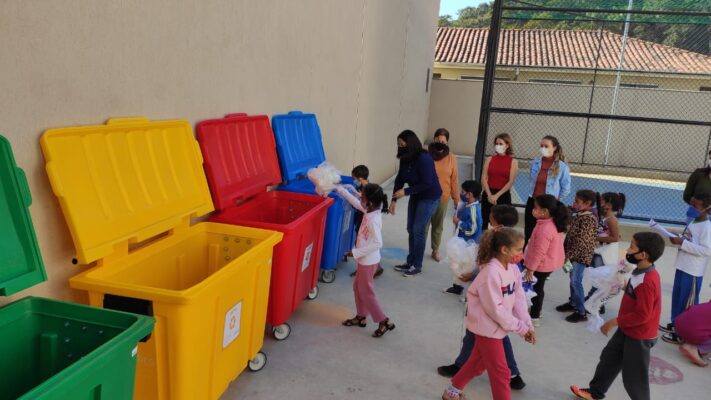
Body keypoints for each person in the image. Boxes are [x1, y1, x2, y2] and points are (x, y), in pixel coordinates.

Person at [438, 205, 528, 391]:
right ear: (504, 250)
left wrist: (526, 324)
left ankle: (452, 391)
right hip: (488, 326)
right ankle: (512, 374)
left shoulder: (511, 268)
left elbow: (518, 296)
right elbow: (495, 308)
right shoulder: (491, 273)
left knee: (477, 364)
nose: (522, 254)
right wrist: (520, 327)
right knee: (500, 373)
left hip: (497, 325)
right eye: (519, 250)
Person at [571, 232, 665, 400]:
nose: (628, 250)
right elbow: (635, 294)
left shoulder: (647, 281)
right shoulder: (639, 272)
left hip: (639, 335)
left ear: (643, 255)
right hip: (628, 328)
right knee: (609, 358)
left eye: (632, 247)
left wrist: (613, 322)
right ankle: (595, 392)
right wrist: (622, 284)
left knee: (634, 377)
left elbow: (643, 315)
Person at [337, 183, 396, 338]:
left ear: (369, 201)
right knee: (358, 288)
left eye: (362, 196)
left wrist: (355, 252)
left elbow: (378, 243)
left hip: (368, 261)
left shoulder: (373, 219)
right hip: (365, 260)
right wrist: (341, 190)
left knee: (366, 292)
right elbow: (356, 203)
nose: (359, 197)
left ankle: (384, 320)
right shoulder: (370, 210)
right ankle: (361, 316)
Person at [660, 193, 711, 344]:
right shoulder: (693, 222)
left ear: (707, 209)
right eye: (691, 204)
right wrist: (678, 239)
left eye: (695, 206)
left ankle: (683, 333)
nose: (691, 208)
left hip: (693, 270)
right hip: (682, 266)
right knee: (677, 298)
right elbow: (689, 240)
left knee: (687, 303)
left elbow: (707, 250)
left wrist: (683, 243)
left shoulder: (707, 227)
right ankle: (676, 324)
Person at [390, 130, 442, 277]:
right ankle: (410, 261)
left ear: (411, 143)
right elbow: (400, 179)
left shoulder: (424, 158)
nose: (400, 147)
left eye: (402, 144)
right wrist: (393, 200)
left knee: (418, 229)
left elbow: (427, 182)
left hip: (430, 196)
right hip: (416, 195)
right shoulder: (405, 158)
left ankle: (416, 265)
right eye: (398, 144)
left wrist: (405, 192)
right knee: (410, 228)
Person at [523, 194, 568, 327]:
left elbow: (539, 252)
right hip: (545, 263)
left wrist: (531, 268)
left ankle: (535, 315)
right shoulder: (548, 223)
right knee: (538, 287)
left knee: (536, 289)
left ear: (545, 211)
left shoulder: (545, 229)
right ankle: (535, 311)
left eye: (536, 208)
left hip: (541, 265)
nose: (533, 210)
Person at [556, 190, 598, 323]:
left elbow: (581, 241)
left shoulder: (588, 219)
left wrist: (568, 255)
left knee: (576, 281)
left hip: (579, 256)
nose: (574, 203)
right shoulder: (580, 215)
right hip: (572, 255)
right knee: (572, 279)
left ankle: (581, 311)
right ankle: (573, 303)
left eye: (577, 202)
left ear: (588, 203)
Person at [524, 135, 571, 245]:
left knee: (545, 232)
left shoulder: (562, 167)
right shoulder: (535, 163)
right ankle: (526, 258)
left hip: (549, 205)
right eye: (541, 146)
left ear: (554, 147)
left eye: (546, 146)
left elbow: (566, 188)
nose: (543, 148)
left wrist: (556, 200)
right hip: (533, 201)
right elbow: (531, 180)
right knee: (529, 231)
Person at [586, 192, 626, 314]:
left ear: (608, 205)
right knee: (597, 277)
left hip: (605, 254)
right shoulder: (603, 217)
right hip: (599, 251)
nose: (600, 203)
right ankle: (594, 300)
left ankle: (597, 302)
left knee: (601, 278)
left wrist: (594, 238)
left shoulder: (611, 220)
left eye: (602, 201)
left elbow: (614, 238)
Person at [426, 128, 459, 262]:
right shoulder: (427, 155)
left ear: (447, 142)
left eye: (443, 141)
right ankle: (418, 250)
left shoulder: (451, 158)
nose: (440, 142)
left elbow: (454, 179)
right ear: (434, 140)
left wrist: (456, 198)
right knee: (423, 225)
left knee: (437, 225)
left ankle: (435, 250)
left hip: (442, 197)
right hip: (426, 197)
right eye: (437, 140)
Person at [348, 165, 383, 278]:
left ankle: (372, 268)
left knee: (363, 242)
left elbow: (377, 243)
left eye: (354, 178)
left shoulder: (368, 191)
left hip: (363, 221)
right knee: (364, 242)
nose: (354, 181)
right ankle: (373, 268)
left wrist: (355, 253)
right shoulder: (369, 188)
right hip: (363, 220)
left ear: (361, 179)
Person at [481, 133, 518, 230]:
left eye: (501, 144)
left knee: (503, 226)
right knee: (485, 223)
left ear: (507, 145)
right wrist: (489, 195)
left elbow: (511, 181)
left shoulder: (513, 162)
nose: (498, 146)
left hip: (503, 196)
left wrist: (496, 196)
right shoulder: (489, 159)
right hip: (488, 195)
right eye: (496, 143)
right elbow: (484, 177)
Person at [674, 300, 711, 367]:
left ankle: (690, 342)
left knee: (703, 324)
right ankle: (695, 348)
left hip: (679, 323)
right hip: (692, 333)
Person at [682, 150, 711, 223]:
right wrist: (695, 203)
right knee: (693, 234)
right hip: (696, 214)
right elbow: (686, 196)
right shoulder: (698, 173)